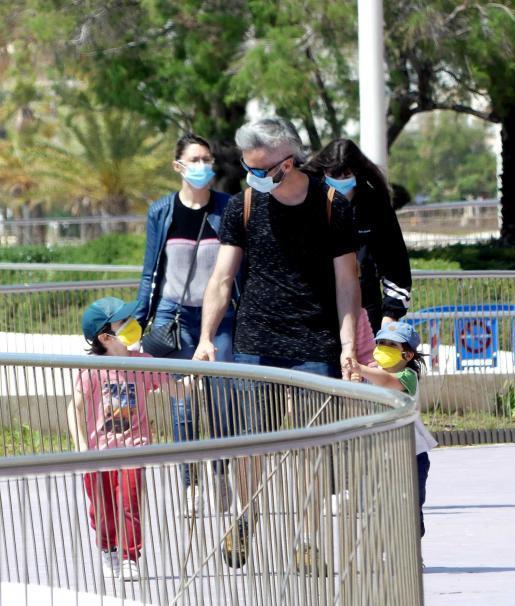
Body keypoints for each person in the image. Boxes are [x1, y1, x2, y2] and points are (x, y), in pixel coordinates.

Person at [194, 118, 360, 567]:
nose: (254, 176)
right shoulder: (244, 205)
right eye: (248, 167)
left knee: (311, 450)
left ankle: (306, 541)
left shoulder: (332, 207)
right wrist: (207, 338)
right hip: (257, 344)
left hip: (315, 345)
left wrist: (347, 345)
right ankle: (246, 518)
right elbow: (222, 278)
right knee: (254, 444)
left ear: (288, 163)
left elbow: (348, 282)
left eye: (262, 168)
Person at [134, 133, 236, 517]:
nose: (203, 166)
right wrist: (140, 320)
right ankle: (190, 482)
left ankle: (221, 470)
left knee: (221, 394)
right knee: (183, 403)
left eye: (207, 159)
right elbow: (150, 273)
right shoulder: (161, 211)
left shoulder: (227, 208)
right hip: (173, 316)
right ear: (178, 166)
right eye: (195, 159)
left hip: (219, 316)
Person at [67, 297, 180, 581]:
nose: (132, 325)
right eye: (123, 323)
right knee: (101, 505)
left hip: (134, 448)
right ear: (105, 337)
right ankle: (109, 548)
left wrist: (199, 376)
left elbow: (175, 390)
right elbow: (74, 407)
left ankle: (130, 555)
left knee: (129, 502)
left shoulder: (144, 363)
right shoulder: (93, 368)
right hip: (99, 452)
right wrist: (81, 445)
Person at [303, 139, 412, 333]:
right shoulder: (308, 202)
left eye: (346, 174)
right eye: (334, 174)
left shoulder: (374, 205)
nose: (340, 179)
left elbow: (396, 265)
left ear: (358, 172)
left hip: (365, 309)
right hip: (316, 311)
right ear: (323, 172)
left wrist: (390, 317)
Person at [348, 322, 436, 540]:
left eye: (391, 345)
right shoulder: (374, 374)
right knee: (383, 504)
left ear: (407, 354)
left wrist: (361, 369)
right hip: (381, 453)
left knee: (411, 504)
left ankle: (412, 544)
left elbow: (389, 381)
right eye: (381, 343)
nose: (383, 348)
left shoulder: (408, 376)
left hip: (411, 454)